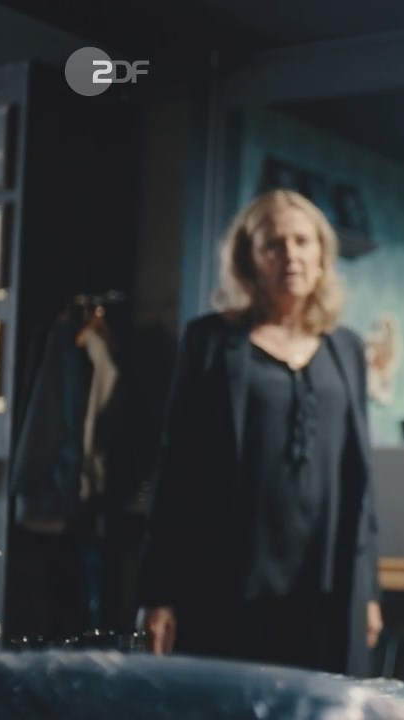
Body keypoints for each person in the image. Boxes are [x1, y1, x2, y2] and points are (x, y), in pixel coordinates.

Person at [137, 190, 383, 676]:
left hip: (326, 589)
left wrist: (368, 591)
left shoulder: (348, 349)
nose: (291, 255)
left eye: (302, 241)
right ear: (248, 258)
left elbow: (362, 481)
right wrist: (158, 593)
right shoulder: (209, 342)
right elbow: (176, 470)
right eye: (273, 244)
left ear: (321, 254)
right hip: (230, 583)